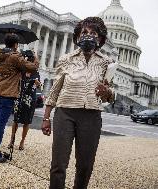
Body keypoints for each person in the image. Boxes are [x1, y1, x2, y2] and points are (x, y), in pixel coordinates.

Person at [41, 17, 118, 189]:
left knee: (85, 166)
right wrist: (46, 117)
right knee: (58, 164)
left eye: (93, 33)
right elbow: (55, 89)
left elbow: (109, 95)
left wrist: (107, 93)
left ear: (100, 39)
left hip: (91, 116)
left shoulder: (106, 62)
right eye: (84, 32)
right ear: (77, 37)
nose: (88, 36)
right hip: (65, 113)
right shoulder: (66, 59)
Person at [0, 33, 39, 164]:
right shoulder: (15, 57)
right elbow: (32, 67)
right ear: (16, 44)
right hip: (8, 94)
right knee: (0, 125)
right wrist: (34, 57)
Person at [8, 71, 41, 150]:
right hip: (19, 97)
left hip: (30, 100)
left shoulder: (36, 73)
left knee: (27, 121)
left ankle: (22, 141)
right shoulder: (21, 71)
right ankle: (12, 140)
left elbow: (39, 86)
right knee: (15, 120)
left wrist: (38, 84)